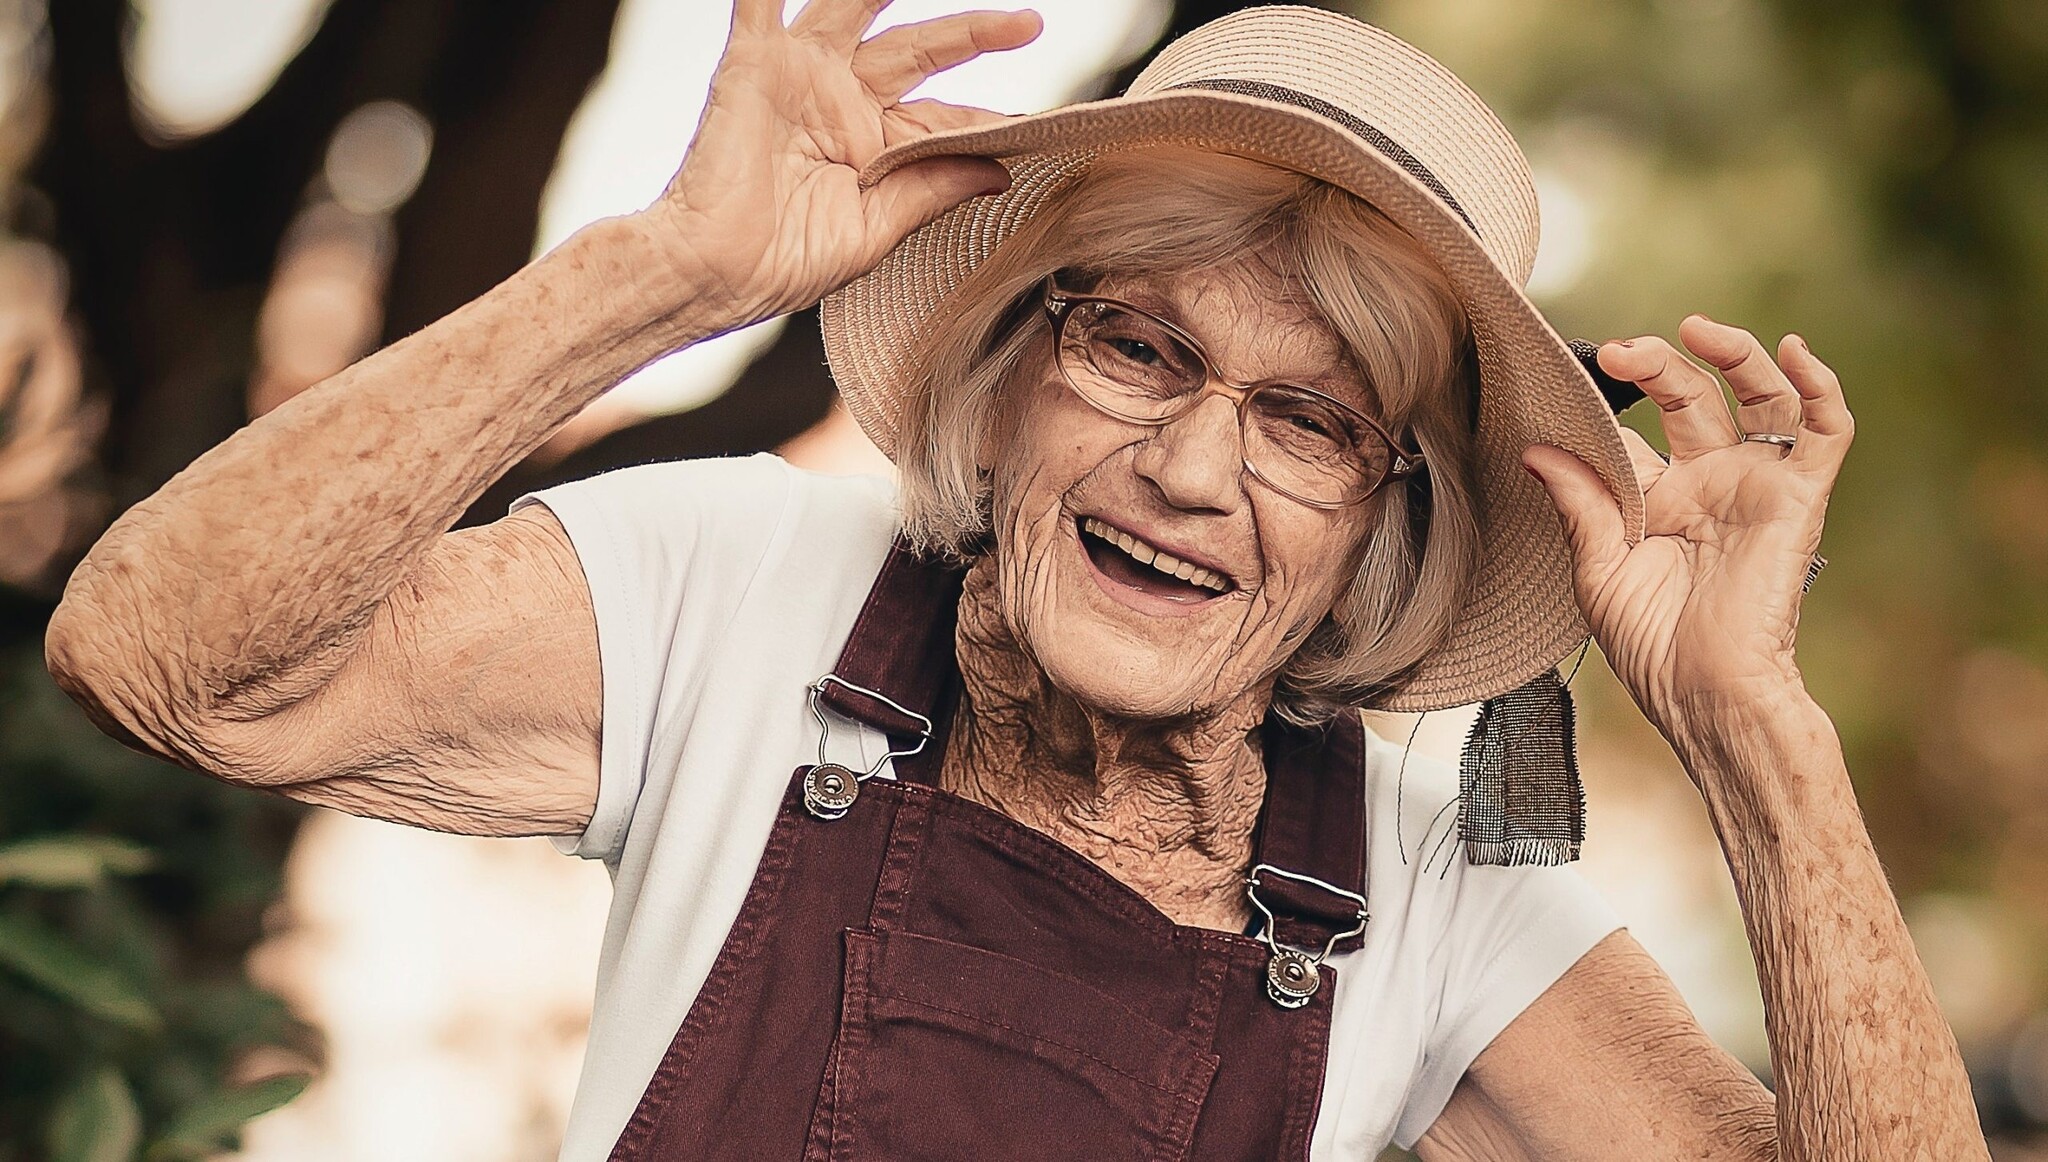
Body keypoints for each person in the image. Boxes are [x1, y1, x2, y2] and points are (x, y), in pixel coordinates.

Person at [45, 2, 1986, 1158]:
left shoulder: (1450, 893)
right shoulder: (749, 580)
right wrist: (660, 278)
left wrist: (1756, 733)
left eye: (1306, 421)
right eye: (1140, 350)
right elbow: (156, 656)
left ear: (1376, 518)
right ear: (1018, 357)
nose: (1193, 466)